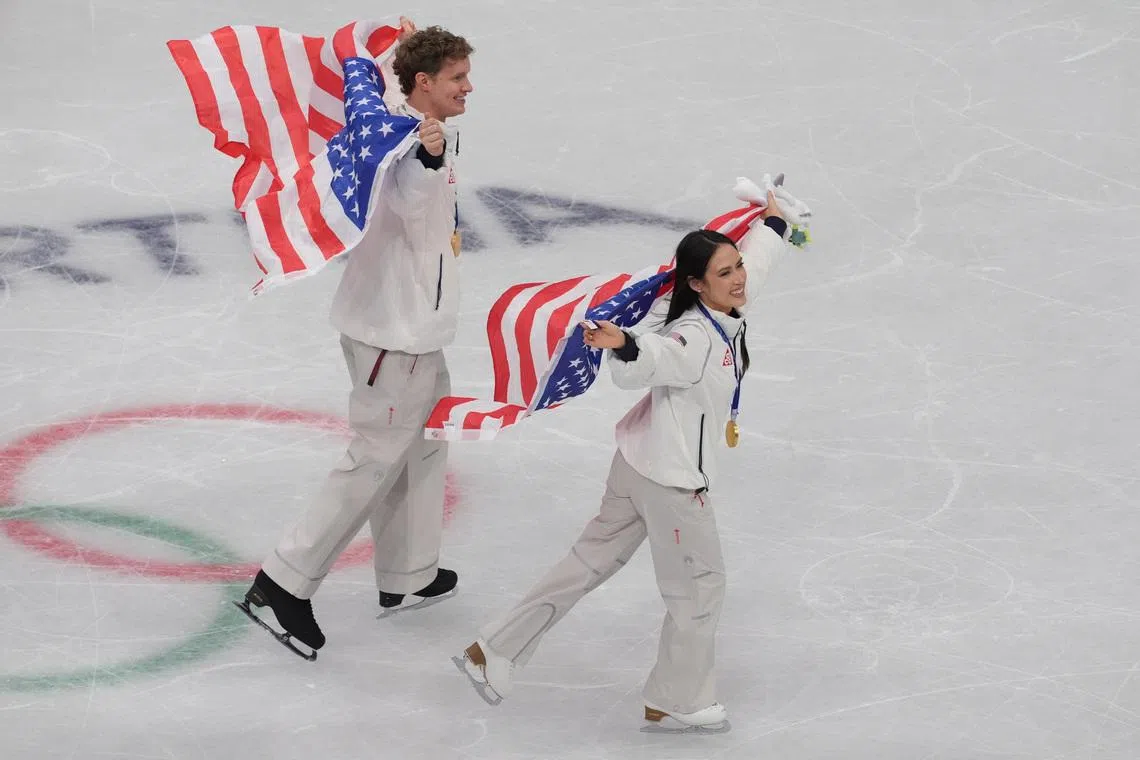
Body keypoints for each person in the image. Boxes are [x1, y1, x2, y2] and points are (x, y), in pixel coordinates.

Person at [456, 193, 791, 730]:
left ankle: (492, 649)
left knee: (587, 563)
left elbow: (760, 264)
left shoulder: (716, 306)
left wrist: (773, 222)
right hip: (672, 483)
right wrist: (627, 346)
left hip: (635, 465)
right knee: (700, 589)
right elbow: (660, 358)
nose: (739, 279)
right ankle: (676, 699)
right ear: (697, 284)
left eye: (738, 266)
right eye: (725, 272)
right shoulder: (695, 335)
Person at [236, 19, 475, 659]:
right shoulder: (405, 145)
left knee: (422, 445)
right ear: (424, 83)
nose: (469, 88)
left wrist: (388, 48)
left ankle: (408, 575)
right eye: (457, 78)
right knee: (373, 456)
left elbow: (377, 88)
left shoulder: (401, 112)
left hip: (410, 328)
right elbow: (414, 187)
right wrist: (427, 153)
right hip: (392, 338)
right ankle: (283, 581)